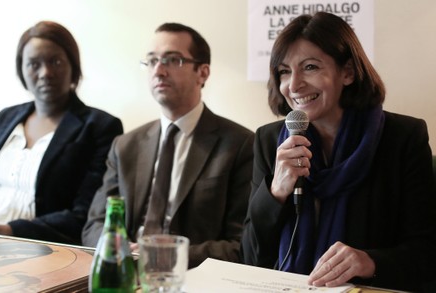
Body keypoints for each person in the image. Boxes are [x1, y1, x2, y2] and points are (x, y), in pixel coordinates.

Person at [240, 12, 436, 292]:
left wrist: (369, 262)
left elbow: (426, 253)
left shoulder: (402, 138)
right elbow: (250, 257)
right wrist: (276, 192)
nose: (294, 85)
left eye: (310, 67)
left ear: (348, 72)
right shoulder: (269, 140)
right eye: (284, 71)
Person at [82, 22, 254, 268]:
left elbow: (241, 244)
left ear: (202, 73)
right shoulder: (125, 145)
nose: (159, 71)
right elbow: (95, 224)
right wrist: (118, 247)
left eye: (173, 60)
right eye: (152, 61)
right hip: (124, 271)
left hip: (189, 277)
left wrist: (162, 255)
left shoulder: (240, 144)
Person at [0, 21, 123, 245]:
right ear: (21, 69)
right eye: (34, 64)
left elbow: (84, 214)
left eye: (55, 61)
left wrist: (8, 230)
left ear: (73, 66)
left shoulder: (100, 127)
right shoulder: (6, 117)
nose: (45, 73)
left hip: (43, 249)